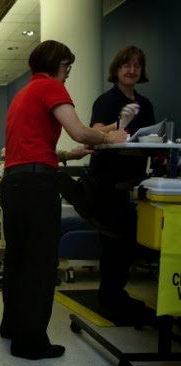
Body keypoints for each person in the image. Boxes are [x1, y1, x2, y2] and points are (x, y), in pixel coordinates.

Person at [0, 40, 127, 360]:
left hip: (14, 182)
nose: (68, 72)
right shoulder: (50, 87)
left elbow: (36, 144)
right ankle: (31, 343)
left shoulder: (23, 94)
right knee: (40, 264)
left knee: (18, 258)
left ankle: (13, 327)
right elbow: (80, 131)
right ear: (56, 64)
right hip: (36, 185)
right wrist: (108, 136)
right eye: (67, 65)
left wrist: (69, 155)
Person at [88, 45, 156, 323]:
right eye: (126, 66)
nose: (132, 71)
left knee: (127, 243)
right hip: (109, 182)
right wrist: (120, 122)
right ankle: (109, 296)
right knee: (114, 242)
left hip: (135, 181)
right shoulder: (106, 100)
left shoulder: (146, 104)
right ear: (116, 70)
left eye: (137, 66)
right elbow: (92, 135)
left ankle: (116, 292)